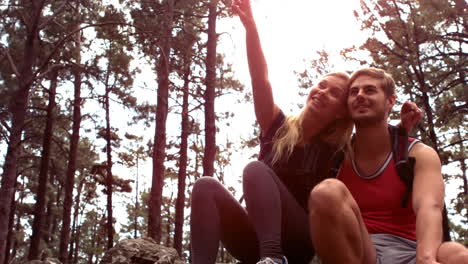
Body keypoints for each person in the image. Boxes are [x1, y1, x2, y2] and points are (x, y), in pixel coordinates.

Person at [190, 0, 421, 263]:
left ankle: (273, 259)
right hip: (251, 238)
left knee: (254, 169)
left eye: (334, 93)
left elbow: (376, 144)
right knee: (205, 186)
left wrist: (401, 128)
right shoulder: (276, 126)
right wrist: (251, 27)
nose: (322, 92)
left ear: (340, 112)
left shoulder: (338, 150)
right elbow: (260, 78)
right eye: (321, 85)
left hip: (299, 241)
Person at [308, 67, 468, 264]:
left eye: (369, 90)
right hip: (362, 254)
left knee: (456, 253)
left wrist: (426, 258)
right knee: (327, 192)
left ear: (390, 101)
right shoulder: (337, 158)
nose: (360, 95)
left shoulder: (417, 154)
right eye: (353, 92)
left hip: (410, 252)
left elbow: (430, 207)